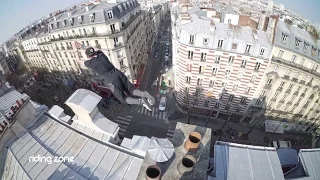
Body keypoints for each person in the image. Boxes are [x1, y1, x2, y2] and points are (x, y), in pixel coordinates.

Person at [83, 47, 155, 111]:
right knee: (131, 89)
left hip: (111, 81)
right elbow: (98, 50)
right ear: (95, 53)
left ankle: (141, 101)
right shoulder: (102, 55)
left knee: (123, 99)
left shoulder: (90, 63)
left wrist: (80, 51)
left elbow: (81, 61)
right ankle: (144, 94)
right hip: (118, 73)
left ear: (89, 56)